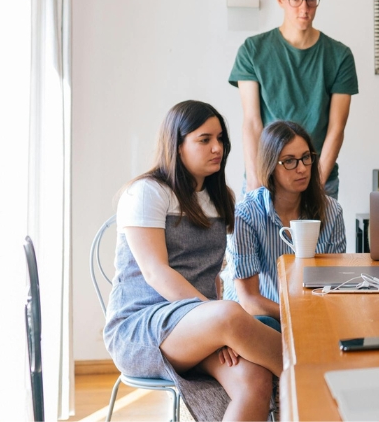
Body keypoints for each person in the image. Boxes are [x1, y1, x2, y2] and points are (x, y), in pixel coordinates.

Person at [104, 101, 281, 421]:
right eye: (204, 139)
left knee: (254, 380)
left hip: (199, 325)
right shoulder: (148, 191)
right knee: (231, 313)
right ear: (177, 143)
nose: (218, 147)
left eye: (221, 139)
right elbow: (156, 272)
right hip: (142, 328)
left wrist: (215, 324)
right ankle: (318, 374)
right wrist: (215, 318)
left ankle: (308, 377)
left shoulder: (221, 197)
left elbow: (212, 272)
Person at [229, 0, 359, 198]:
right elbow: (252, 122)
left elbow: (336, 128)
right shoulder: (252, 50)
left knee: (319, 238)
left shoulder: (340, 56)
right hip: (266, 177)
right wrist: (256, 182)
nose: (304, 8)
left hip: (319, 178)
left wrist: (316, 185)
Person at [224, 120, 347, 328]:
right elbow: (249, 301)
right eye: (289, 161)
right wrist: (299, 315)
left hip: (312, 315)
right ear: (270, 166)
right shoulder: (246, 214)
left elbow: (334, 286)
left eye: (306, 158)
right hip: (259, 320)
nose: (302, 169)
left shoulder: (332, 211)